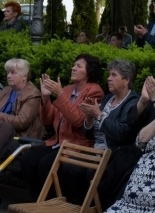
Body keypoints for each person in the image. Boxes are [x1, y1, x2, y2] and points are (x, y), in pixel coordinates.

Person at [19, 54, 104, 199]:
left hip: (75, 145)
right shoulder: (67, 89)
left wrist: (59, 95)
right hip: (57, 142)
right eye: (74, 64)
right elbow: (47, 120)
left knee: (46, 164)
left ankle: (52, 205)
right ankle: (37, 201)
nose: (73, 68)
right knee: (27, 159)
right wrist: (45, 97)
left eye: (79, 66)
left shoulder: (94, 91)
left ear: (89, 71)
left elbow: (78, 120)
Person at [67, 59, 140, 205]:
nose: (108, 78)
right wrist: (89, 117)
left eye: (114, 75)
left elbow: (122, 133)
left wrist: (99, 115)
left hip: (113, 155)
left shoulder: (132, 102)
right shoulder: (107, 98)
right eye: (109, 74)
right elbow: (88, 134)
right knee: (69, 167)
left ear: (126, 80)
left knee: (90, 173)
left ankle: (92, 208)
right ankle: (77, 206)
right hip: (96, 151)